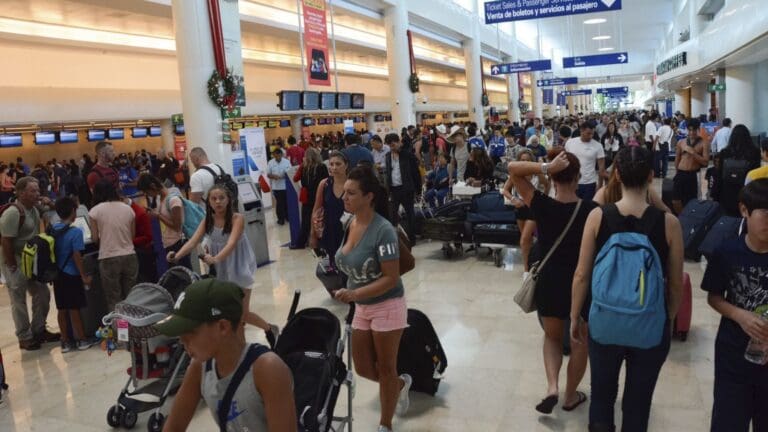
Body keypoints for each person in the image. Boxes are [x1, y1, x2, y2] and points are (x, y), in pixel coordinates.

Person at [571, 146, 684, 432]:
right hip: (650, 325)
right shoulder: (669, 223)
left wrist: (575, 316)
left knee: (602, 395)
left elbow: (582, 274)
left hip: (605, 322)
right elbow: (675, 281)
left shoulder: (598, 217)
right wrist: (667, 318)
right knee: (638, 400)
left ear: (616, 175)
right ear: (650, 176)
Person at [508, 148, 595, 415]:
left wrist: (545, 167)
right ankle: (570, 396)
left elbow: (513, 169)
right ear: (578, 177)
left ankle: (552, 387)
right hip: (580, 284)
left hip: (549, 281)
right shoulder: (592, 210)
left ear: (555, 178)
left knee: (552, 337)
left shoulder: (541, 204)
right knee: (580, 341)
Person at [157, 279, 297, 432]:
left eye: (189, 333)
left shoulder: (267, 369)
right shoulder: (200, 368)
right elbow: (173, 427)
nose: (182, 342)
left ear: (223, 327)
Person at [333, 165, 411, 432]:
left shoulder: (383, 230)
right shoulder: (350, 223)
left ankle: (385, 424)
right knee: (365, 368)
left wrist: (354, 293)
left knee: (387, 368)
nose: (345, 198)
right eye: (344, 193)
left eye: (351, 194)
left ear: (369, 197)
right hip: (362, 307)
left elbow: (391, 277)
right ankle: (399, 385)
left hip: (387, 305)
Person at [168, 184, 279, 341]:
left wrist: (215, 259)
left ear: (229, 200)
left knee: (242, 313)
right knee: (227, 312)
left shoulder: (237, 218)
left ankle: (270, 329)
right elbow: (193, 242)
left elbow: (231, 243)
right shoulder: (208, 220)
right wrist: (177, 256)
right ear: (209, 202)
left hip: (240, 267)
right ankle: (237, 344)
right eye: (214, 198)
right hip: (222, 270)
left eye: (221, 198)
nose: (218, 202)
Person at [702, 178, 768, 432]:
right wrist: (739, 315)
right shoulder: (727, 252)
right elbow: (714, 296)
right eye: (764, 212)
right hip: (733, 356)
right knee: (728, 421)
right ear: (744, 211)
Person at [0, 177, 59, 351]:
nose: (37, 193)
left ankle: (39, 329)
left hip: (30, 258)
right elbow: (6, 241)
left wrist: (51, 202)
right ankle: (24, 336)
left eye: (38, 190)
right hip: (14, 259)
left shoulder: (33, 208)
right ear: (20, 193)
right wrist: (12, 265)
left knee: (42, 293)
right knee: (18, 299)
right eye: (33, 191)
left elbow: (56, 210)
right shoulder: (13, 213)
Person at [51, 197, 95, 352]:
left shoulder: (53, 228)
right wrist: (84, 276)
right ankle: (82, 339)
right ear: (73, 211)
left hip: (57, 275)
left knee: (61, 308)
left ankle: (65, 342)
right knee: (74, 308)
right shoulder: (75, 231)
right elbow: (77, 255)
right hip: (71, 274)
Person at [89, 180, 138, 313]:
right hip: (130, 255)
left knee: (114, 299)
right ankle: (134, 328)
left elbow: (94, 238)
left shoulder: (94, 211)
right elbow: (132, 235)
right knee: (131, 297)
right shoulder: (128, 209)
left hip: (108, 256)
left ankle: (120, 331)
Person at [502, 149, 548, 270]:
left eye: (527, 160)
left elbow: (547, 184)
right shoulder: (515, 174)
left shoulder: (537, 173)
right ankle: (531, 263)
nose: (525, 162)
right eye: (522, 160)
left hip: (534, 209)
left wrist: (543, 200)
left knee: (524, 240)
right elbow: (505, 190)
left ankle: (526, 270)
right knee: (526, 240)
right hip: (520, 208)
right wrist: (514, 200)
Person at [136, 174, 192, 270]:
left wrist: (158, 216)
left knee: (183, 274)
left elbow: (177, 226)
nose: (147, 195)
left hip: (178, 243)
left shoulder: (173, 200)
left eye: (146, 191)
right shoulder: (160, 199)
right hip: (168, 243)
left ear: (152, 186)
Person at [310, 151, 349, 271]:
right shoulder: (325, 184)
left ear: (346, 165)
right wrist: (313, 235)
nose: (334, 168)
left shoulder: (352, 183)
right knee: (334, 268)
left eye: (338, 164)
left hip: (350, 233)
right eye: (331, 164)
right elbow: (316, 210)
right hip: (330, 233)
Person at [713, 124, 762, 217]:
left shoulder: (725, 152)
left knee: (727, 221)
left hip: (726, 192)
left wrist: (715, 194)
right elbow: (754, 175)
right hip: (745, 192)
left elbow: (719, 175)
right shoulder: (754, 152)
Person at [383, 133, 422, 245]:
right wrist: (388, 190)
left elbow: (416, 173)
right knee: (393, 215)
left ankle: (412, 238)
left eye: (394, 144)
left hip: (407, 189)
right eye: (390, 145)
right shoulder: (387, 157)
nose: (392, 147)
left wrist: (418, 190)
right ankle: (395, 239)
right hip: (394, 189)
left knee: (410, 214)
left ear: (399, 142)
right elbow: (388, 174)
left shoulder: (408, 155)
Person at [672, 118, 710, 214]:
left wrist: (693, 153)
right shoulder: (681, 142)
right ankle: (681, 217)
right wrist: (677, 173)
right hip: (681, 173)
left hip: (693, 175)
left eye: (694, 130)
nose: (692, 132)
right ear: (687, 130)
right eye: (690, 130)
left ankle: (689, 218)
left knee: (691, 201)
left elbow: (706, 162)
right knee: (675, 200)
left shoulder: (704, 143)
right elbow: (677, 159)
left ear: (698, 130)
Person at [294, 148, 328, 248]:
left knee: (306, 221)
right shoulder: (322, 167)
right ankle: (321, 241)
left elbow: (297, 179)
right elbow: (325, 181)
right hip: (319, 196)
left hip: (307, 197)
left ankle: (300, 243)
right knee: (320, 219)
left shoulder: (304, 168)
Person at [565, 122, 607, 201]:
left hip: (589, 183)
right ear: (581, 130)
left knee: (587, 209)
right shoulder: (570, 143)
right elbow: (566, 162)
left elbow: (601, 169)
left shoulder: (598, 146)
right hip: (573, 182)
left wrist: (599, 187)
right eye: (588, 133)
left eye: (592, 134)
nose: (591, 136)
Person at [267, 148, 292, 226]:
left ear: (281, 155)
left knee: (286, 202)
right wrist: (273, 176)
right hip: (276, 187)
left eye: (278, 156)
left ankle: (288, 217)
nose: (277, 158)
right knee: (279, 203)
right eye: (275, 156)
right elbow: (268, 174)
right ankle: (281, 219)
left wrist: (284, 176)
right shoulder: (270, 163)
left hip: (286, 186)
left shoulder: (287, 162)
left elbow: (290, 172)